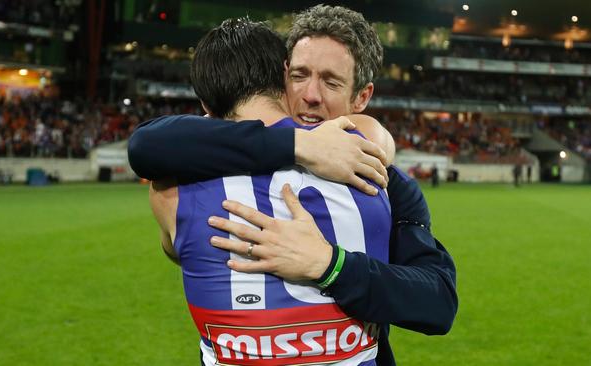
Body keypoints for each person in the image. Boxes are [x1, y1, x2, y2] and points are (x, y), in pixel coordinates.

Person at [129, 5, 457, 365]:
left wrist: (330, 265)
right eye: (300, 75)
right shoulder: (190, 156)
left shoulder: (381, 177)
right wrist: (299, 145)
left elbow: (437, 303)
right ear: (281, 75)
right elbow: (146, 145)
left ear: (361, 99)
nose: (310, 95)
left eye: (331, 82)